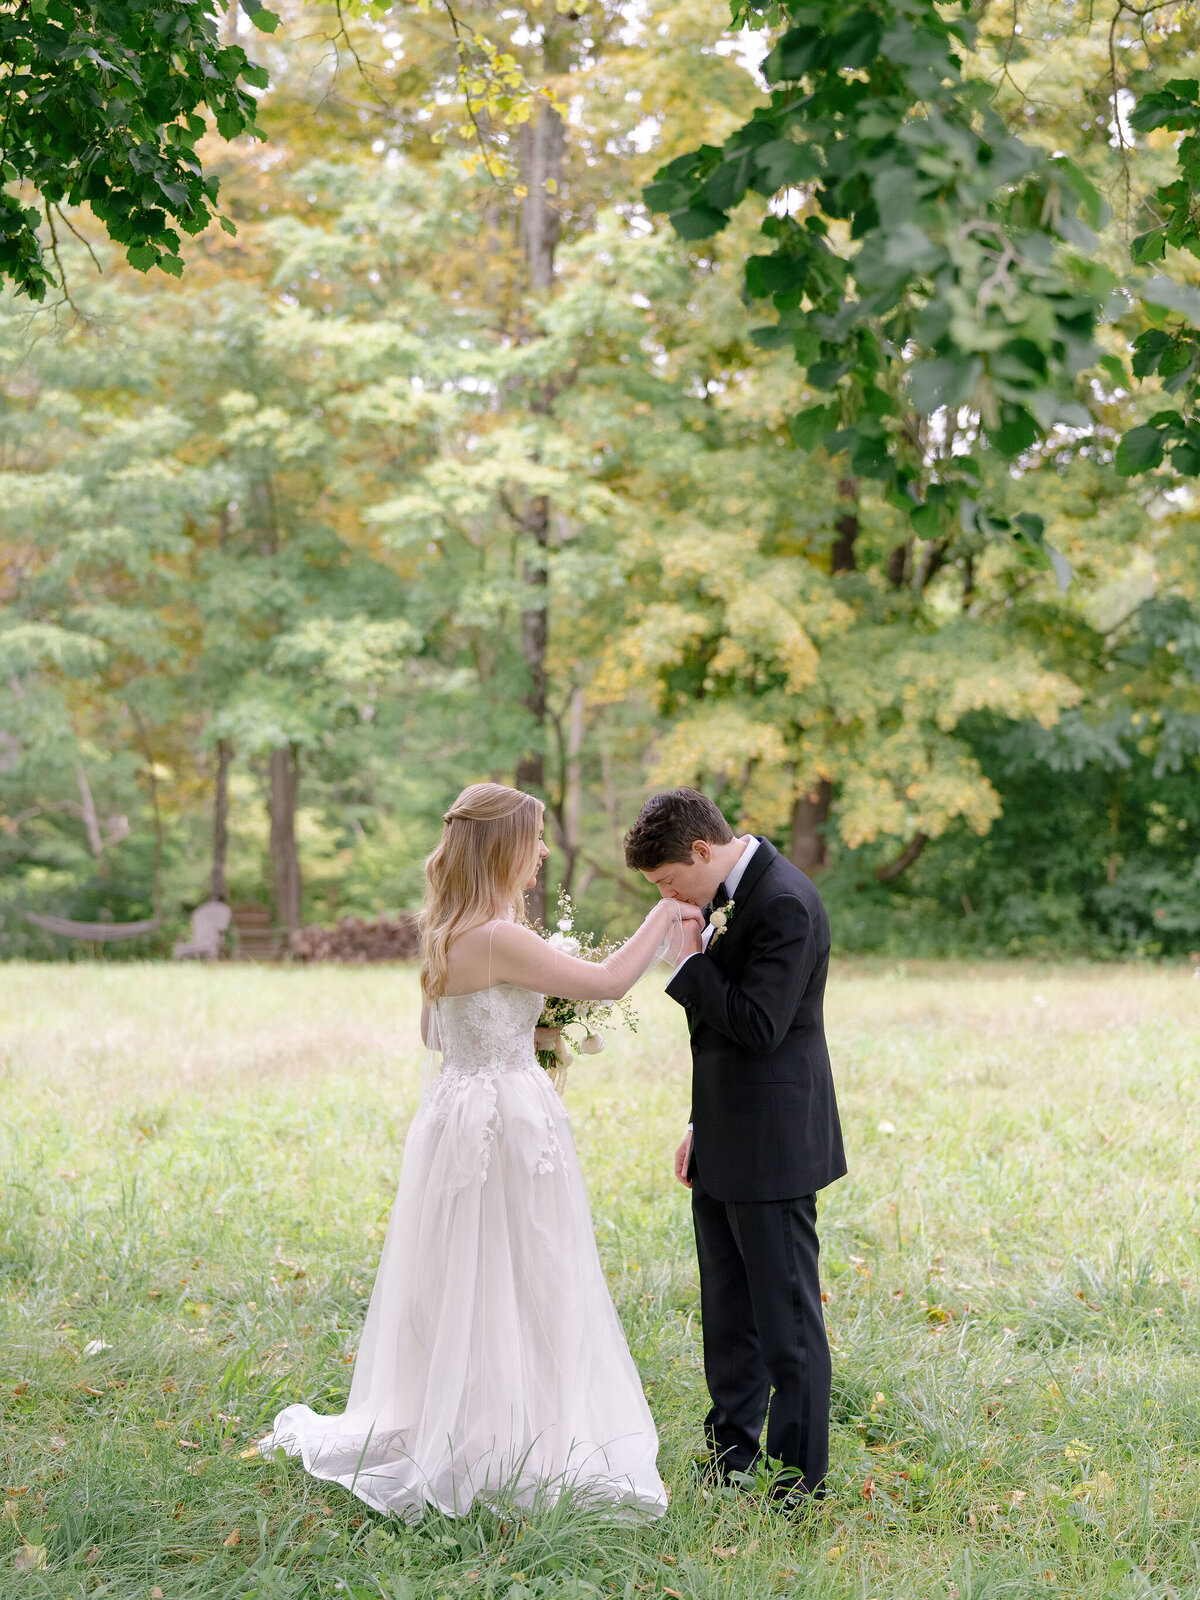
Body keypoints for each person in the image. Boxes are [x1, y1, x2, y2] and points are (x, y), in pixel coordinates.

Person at [258, 782, 699, 1521]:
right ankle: (515, 1436)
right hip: (509, 1117)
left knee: (466, 1267)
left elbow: (434, 1037)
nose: (544, 852)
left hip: (453, 1113)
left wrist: (527, 1032)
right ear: (504, 847)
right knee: (527, 1266)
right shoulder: (500, 937)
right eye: (535, 839)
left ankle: (463, 1411)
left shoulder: (444, 929)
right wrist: (662, 914)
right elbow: (611, 980)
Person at [624, 787, 846, 1503]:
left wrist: (689, 964)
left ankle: (795, 1482)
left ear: (699, 852)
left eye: (665, 882)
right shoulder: (732, 893)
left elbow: (757, 1025)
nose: (667, 896)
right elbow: (724, 1042)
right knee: (728, 1314)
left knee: (787, 1325)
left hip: (775, 1147)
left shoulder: (783, 900)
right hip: (726, 1137)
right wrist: (700, 1123)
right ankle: (732, 1455)